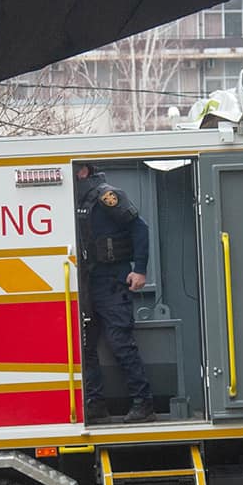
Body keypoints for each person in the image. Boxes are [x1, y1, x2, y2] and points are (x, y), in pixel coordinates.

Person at [75, 163, 156, 423]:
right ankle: (95, 403)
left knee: (120, 343)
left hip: (111, 281)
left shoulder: (107, 197)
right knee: (85, 344)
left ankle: (143, 404)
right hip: (87, 283)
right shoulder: (73, 199)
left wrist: (140, 270)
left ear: (84, 172)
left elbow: (139, 228)